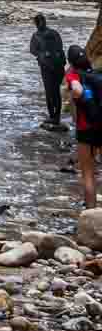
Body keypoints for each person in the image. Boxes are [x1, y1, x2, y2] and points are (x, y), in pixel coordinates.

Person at [65, 45, 102, 210]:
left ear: (70, 62)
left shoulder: (74, 74)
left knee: (88, 173)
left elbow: (78, 90)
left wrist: (74, 95)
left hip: (86, 128)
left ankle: (91, 212)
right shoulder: (96, 74)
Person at [29, 14, 66, 128]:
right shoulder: (46, 34)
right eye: (40, 22)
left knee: (52, 92)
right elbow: (33, 50)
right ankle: (54, 116)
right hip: (52, 67)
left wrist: (44, 56)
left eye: (40, 22)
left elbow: (33, 50)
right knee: (52, 92)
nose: (40, 24)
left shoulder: (43, 35)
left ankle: (54, 116)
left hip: (52, 67)